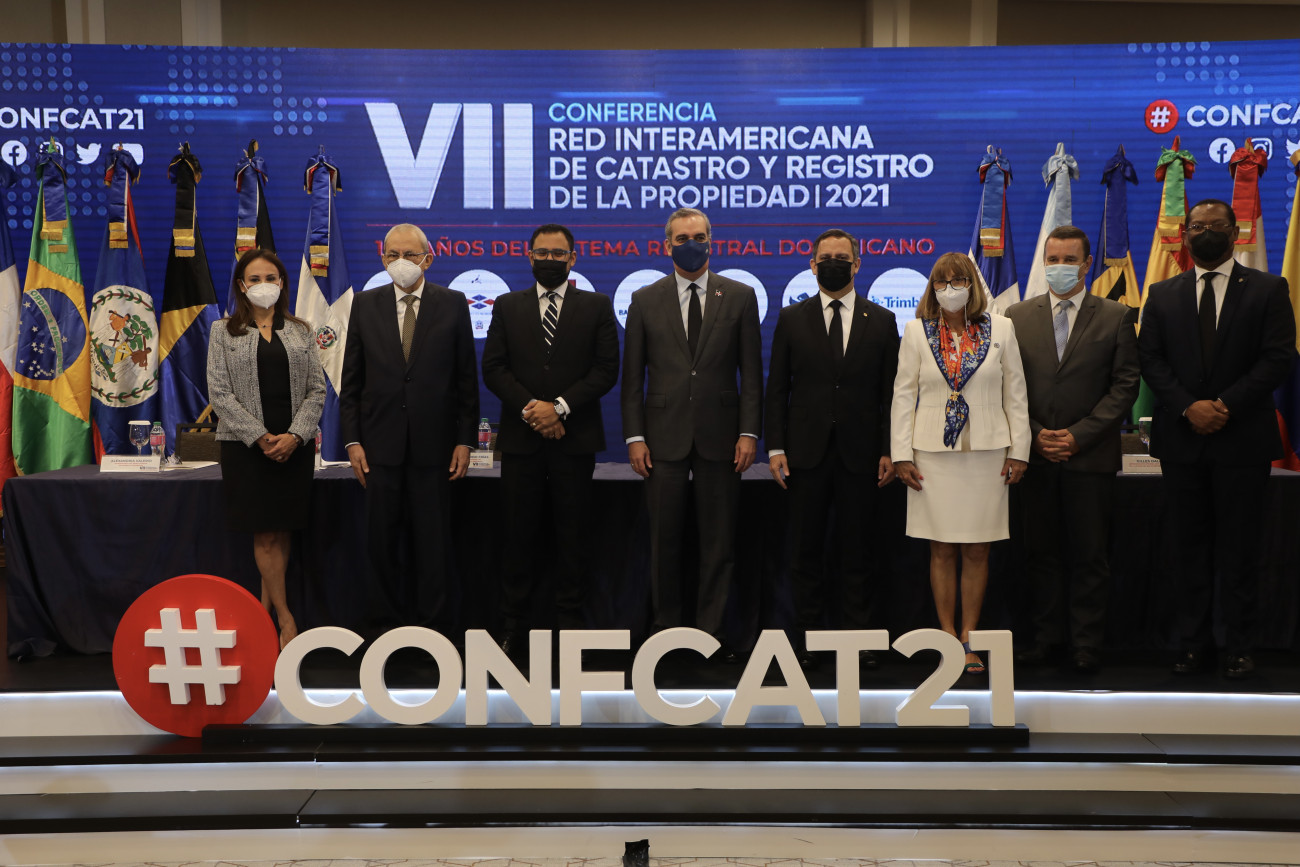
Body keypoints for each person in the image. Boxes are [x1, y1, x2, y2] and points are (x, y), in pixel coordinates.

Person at [1138, 198, 1296, 679]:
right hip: (1182, 440)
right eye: (1197, 226)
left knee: (1241, 550)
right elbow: (1151, 361)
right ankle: (1193, 645)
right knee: (1187, 549)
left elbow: (1277, 358)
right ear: (1185, 234)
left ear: (1235, 232)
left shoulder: (1269, 288)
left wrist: (1224, 405)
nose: (1205, 232)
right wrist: (1190, 407)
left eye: (1215, 225)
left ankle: (1240, 646)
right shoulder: (1162, 293)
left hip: (1242, 439)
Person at [621, 207, 763, 658]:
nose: (691, 244)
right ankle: (666, 631)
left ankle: (710, 635)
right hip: (661, 438)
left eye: (698, 236)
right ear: (666, 245)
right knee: (663, 541)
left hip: (722, 438)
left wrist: (749, 432)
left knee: (718, 543)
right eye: (682, 238)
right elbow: (632, 379)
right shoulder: (645, 299)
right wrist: (635, 437)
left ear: (711, 241)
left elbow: (752, 375)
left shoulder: (739, 296)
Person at [1006, 226, 1140, 673]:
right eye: (1053, 259)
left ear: (1086, 264)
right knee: (1039, 553)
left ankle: (1086, 644)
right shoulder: (1016, 317)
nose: (1059, 267)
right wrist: (1035, 433)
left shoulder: (1116, 315)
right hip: (1034, 457)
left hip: (1090, 457)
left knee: (1090, 556)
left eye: (1068, 260)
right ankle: (1046, 639)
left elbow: (1124, 386)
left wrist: (1079, 435)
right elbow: (1006, 387)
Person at [482, 224, 619, 655]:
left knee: (573, 538)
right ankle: (512, 626)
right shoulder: (507, 306)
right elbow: (494, 368)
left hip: (574, 442)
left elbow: (606, 370)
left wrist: (558, 407)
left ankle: (570, 627)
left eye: (559, 254)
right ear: (529, 256)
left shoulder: (596, 306)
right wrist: (534, 410)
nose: (550, 260)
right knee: (517, 537)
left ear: (573, 259)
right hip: (521, 443)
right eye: (542, 252)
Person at [891, 252, 1030, 674]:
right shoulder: (916, 331)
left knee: (977, 549)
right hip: (931, 456)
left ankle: (970, 635)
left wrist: (1020, 450)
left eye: (958, 280)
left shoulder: (1001, 328)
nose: (950, 289)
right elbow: (903, 396)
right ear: (932, 288)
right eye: (942, 281)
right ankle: (947, 636)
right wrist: (901, 454)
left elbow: (1016, 394)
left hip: (989, 454)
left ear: (972, 284)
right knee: (941, 548)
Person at [765, 228, 898, 671]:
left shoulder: (882, 320)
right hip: (805, 455)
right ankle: (808, 641)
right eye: (826, 258)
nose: (834, 264)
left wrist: (889, 448)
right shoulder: (791, 318)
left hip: (863, 455)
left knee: (859, 552)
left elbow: (891, 395)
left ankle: (861, 641)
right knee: (805, 552)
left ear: (857, 264)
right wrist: (775, 446)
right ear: (812, 265)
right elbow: (776, 388)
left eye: (842, 257)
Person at [340, 223, 479, 634]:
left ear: (428, 259)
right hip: (378, 449)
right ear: (383, 259)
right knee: (381, 546)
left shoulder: (453, 303)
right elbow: (352, 381)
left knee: (433, 547)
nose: (401, 262)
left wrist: (465, 440)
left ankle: (434, 632)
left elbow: (466, 380)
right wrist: (352, 440)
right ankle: (383, 631)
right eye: (393, 255)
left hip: (435, 450)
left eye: (410, 255)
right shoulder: (364, 304)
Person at [207, 248, 326, 649]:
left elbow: (317, 390)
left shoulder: (301, 331)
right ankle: (286, 618)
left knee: (281, 531)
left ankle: (262, 613)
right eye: (254, 279)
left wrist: (295, 436)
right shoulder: (223, 331)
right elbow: (219, 394)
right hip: (246, 450)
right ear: (242, 286)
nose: (263, 285)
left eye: (270, 278)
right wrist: (260, 436)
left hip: (294, 448)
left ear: (282, 283)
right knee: (266, 535)